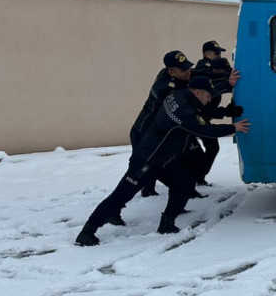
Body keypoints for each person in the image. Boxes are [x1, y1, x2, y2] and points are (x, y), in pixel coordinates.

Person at [75, 77, 250, 246]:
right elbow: (203, 128)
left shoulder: (180, 96)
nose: (210, 98)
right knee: (121, 195)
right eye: (208, 95)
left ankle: (167, 224)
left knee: (184, 184)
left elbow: (201, 112)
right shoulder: (183, 110)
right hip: (146, 161)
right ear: (197, 93)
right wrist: (233, 127)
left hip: (163, 161)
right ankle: (87, 232)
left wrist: (225, 111)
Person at [131, 51, 194, 196]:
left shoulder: (171, 75)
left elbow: (196, 74)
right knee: (137, 173)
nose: (188, 72)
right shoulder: (166, 89)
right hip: (143, 133)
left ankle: (151, 189)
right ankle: (114, 210)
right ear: (171, 72)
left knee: (155, 168)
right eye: (184, 70)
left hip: (155, 133)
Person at [192, 41, 242, 185]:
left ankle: (198, 178)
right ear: (207, 54)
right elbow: (214, 85)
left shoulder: (213, 71)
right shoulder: (204, 70)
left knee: (211, 147)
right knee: (190, 153)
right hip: (193, 118)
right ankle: (194, 179)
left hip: (202, 117)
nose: (219, 55)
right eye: (216, 53)